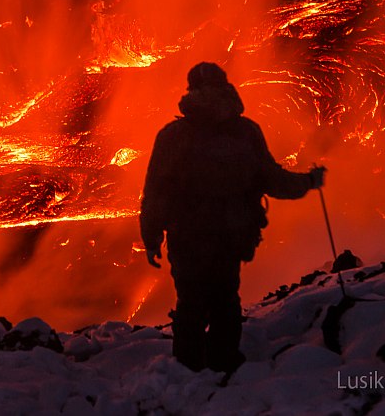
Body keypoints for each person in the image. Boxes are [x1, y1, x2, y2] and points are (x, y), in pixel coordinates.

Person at [140, 62, 326, 373]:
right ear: (226, 86)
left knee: (191, 302)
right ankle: (224, 363)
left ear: (190, 91)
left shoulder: (173, 135)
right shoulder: (246, 131)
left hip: (188, 235)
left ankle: (187, 369)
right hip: (232, 233)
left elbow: (156, 191)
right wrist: (308, 182)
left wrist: (151, 237)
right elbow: (273, 180)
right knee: (226, 298)